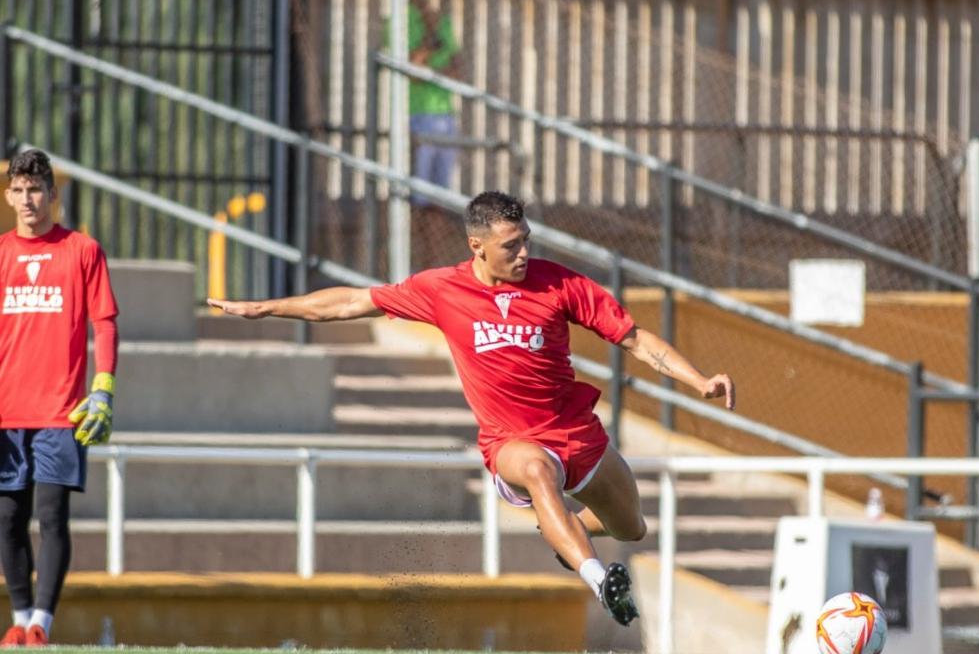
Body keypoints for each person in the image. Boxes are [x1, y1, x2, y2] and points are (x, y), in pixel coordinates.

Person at [208, 191, 734, 625]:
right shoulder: (441, 290)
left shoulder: (562, 284)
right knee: (536, 470)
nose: (523, 252)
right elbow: (351, 301)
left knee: (631, 527)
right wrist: (269, 307)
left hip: (577, 432)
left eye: (526, 240)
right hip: (512, 441)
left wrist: (698, 380)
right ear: (476, 247)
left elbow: (635, 339)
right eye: (511, 245)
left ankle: (562, 534)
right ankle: (598, 580)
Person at [0, 149, 119, 647]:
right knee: (7, 519)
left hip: (60, 411)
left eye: (37, 190)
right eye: (19, 190)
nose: (28, 199)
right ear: (8, 196)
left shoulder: (82, 250)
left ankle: (41, 624)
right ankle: (20, 616)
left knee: (51, 516)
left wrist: (103, 387)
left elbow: (104, 321)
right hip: (6, 413)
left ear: (53, 194)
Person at [405, 0, 460, 201]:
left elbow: (457, 69)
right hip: (418, 113)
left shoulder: (442, 21)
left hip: (445, 114)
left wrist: (430, 70)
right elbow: (413, 72)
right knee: (418, 194)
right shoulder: (401, 21)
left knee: (441, 195)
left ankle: (434, 230)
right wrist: (430, 36)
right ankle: (412, 234)